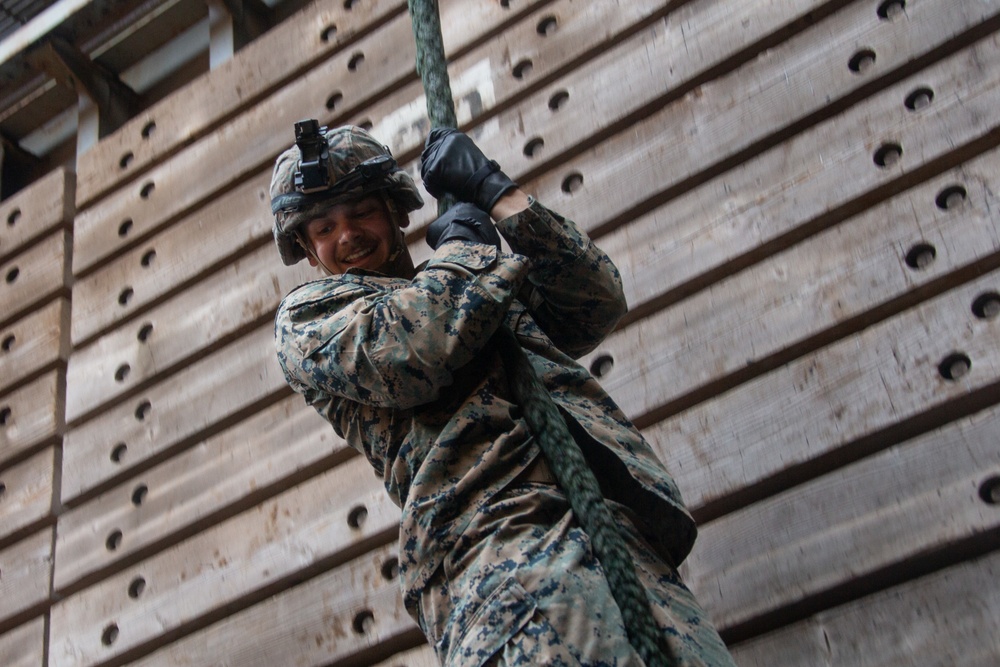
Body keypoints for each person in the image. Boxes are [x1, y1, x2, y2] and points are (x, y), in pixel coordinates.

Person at [271, 122, 736, 666]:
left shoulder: (480, 285)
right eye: (324, 227)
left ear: (397, 213)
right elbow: (414, 347)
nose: (347, 234)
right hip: (502, 563)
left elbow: (593, 302)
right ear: (306, 249)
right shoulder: (308, 319)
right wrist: (467, 251)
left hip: (622, 548)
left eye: (361, 212)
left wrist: (498, 193)